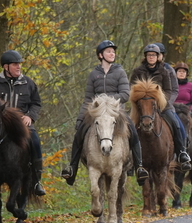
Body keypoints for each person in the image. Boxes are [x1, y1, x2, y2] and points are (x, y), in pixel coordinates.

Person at [61, 40, 149, 185]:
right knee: (79, 134)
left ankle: (139, 167)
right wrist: (80, 118)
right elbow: (88, 98)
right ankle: (72, 169)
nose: (112, 53)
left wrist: (107, 100)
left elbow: (125, 94)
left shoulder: (120, 72)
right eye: (109, 51)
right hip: (96, 112)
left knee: (133, 131)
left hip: (116, 110)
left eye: (113, 52)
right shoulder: (93, 74)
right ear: (100, 55)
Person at [0, 50, 46, 198]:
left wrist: (30, 116)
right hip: (0, 126)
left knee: (35, 142)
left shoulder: (28, 83)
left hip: (22, 124)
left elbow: (36, 103)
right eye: (15, 64)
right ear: (6, 67)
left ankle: (37, 182)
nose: (19, 67)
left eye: (19, 64)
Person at [130, 44, 192, 171]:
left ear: (158, 57)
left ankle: (181, 153)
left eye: (153, 55)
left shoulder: (165, 71)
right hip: (142, 106)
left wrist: (161, 102)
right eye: (149, 55)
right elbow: (132, 89)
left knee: (176, 123)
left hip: (162, 105)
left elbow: (169, 90)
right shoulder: (137, 71)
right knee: (128, 126)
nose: (151, 57)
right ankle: (129, 158)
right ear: (145, 57)